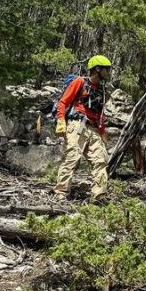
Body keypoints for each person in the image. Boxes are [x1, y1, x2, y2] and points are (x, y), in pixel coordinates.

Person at [54, 55, 112, 202]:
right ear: (97, 69)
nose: (109, 73)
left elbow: (100, 114)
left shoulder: (102, 90)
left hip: (94, 129)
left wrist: (103, 132)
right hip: (77, 125)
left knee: (101, 160)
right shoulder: (79, 82)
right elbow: (63, 102)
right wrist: (61, 120)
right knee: (72, 157)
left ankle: (99, 196)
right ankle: (61, 192)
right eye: (107, 70)